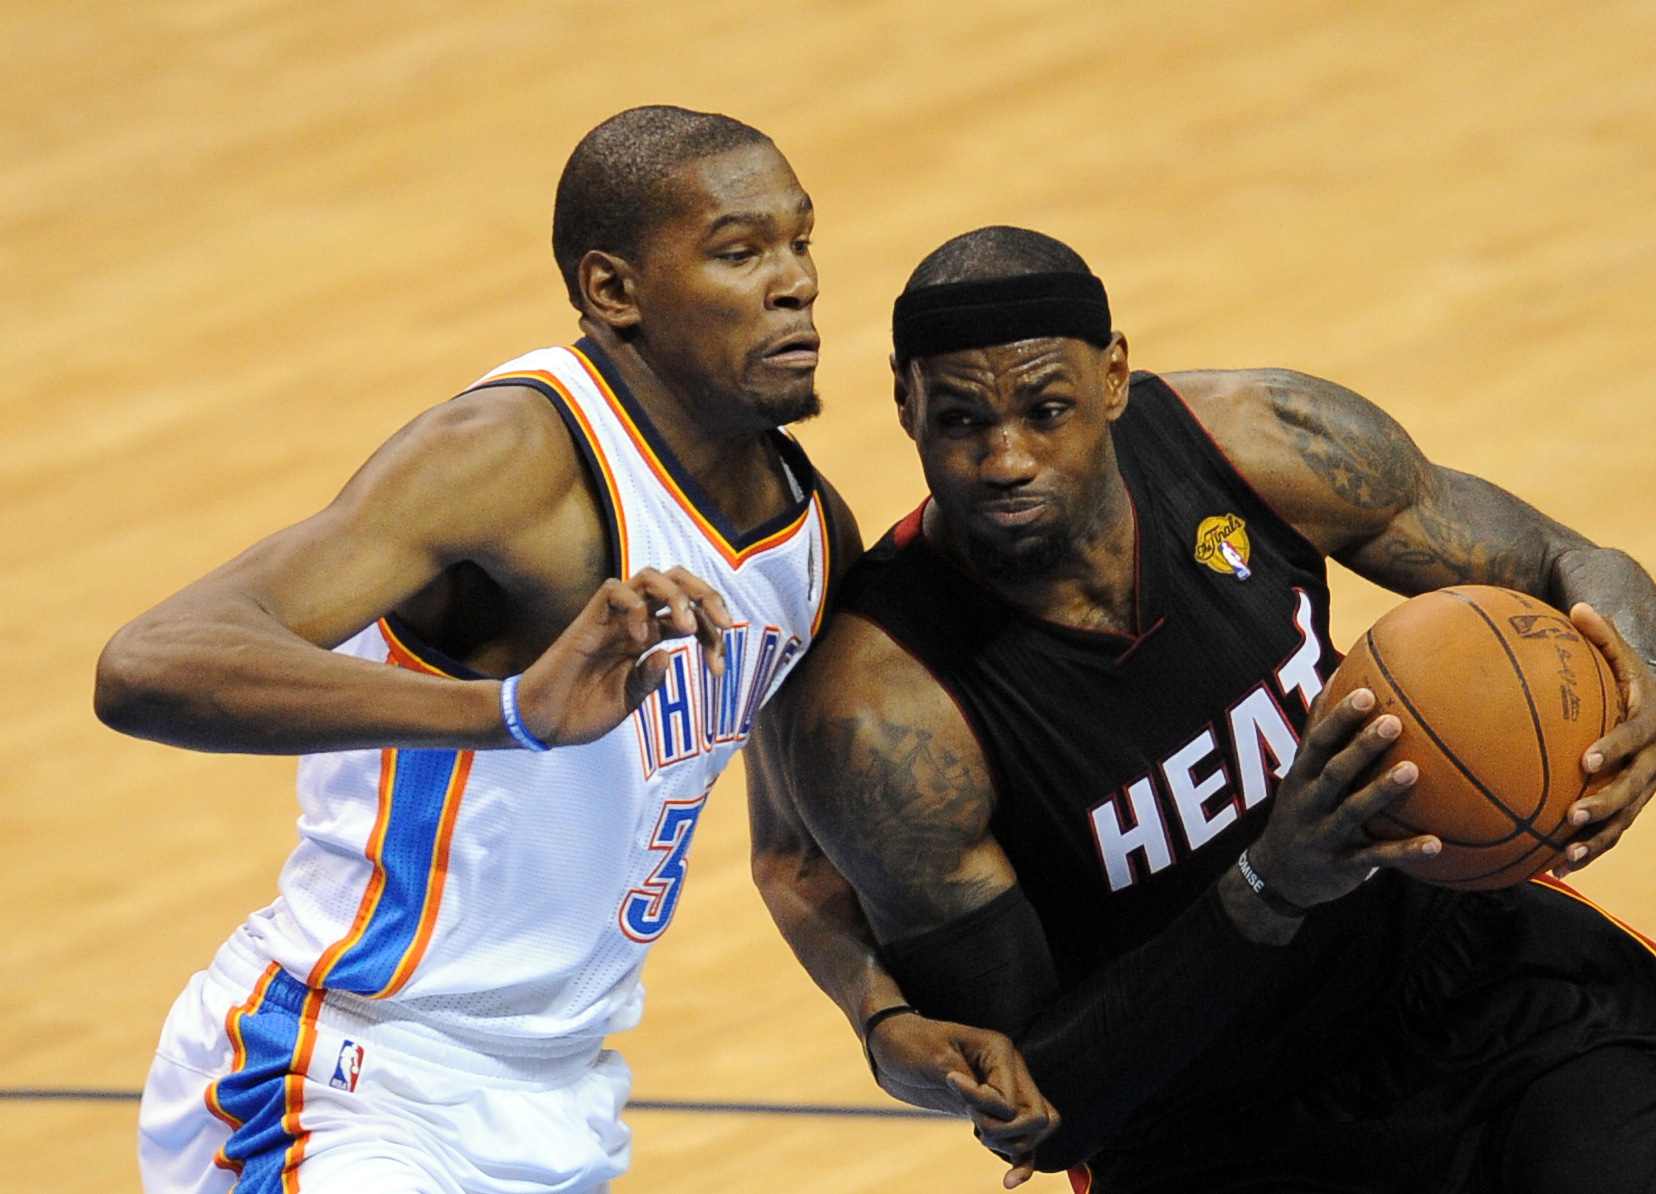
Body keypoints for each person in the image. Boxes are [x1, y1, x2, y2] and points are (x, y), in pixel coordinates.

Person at [95, 105, 1040, 1194]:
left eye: (800, 240)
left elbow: (791, 851)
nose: (797, 283)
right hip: (345, 1074)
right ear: (613, 291)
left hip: (560, 1102)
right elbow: (151, 662)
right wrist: (505, 717)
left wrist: (877, 1018)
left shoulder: (809, 532)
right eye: (740, 253)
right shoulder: (512, 456)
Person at [748, 226, 1656, 1193]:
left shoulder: (1261, 443)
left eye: (1046, 409)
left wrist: (1643, 673)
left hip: (1488, 992)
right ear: (902, 403)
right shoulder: (884, 718)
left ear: (1113, 376)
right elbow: (1040, 1106)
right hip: (1210, 1126)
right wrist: (1266, 887)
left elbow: (1573, 566)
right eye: (960, 421)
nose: (1006, 459)